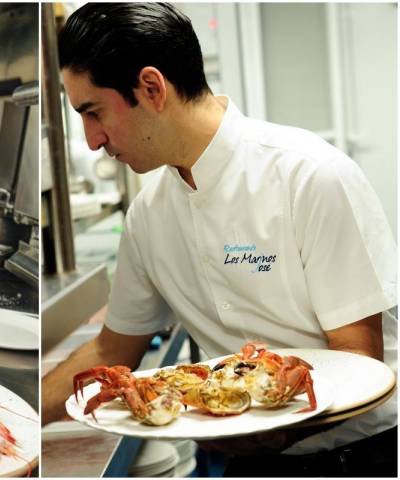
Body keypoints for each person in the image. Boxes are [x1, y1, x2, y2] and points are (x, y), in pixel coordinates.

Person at [42, 3, 397, 476]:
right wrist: (26, 407)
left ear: (151, 88)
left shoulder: (308, 174)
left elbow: (358, 354)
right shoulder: (148, 217)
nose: (91, 141)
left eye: (93, 112)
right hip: (248, 454)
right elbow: (112, 351)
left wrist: (278, 431)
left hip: (360, 455)